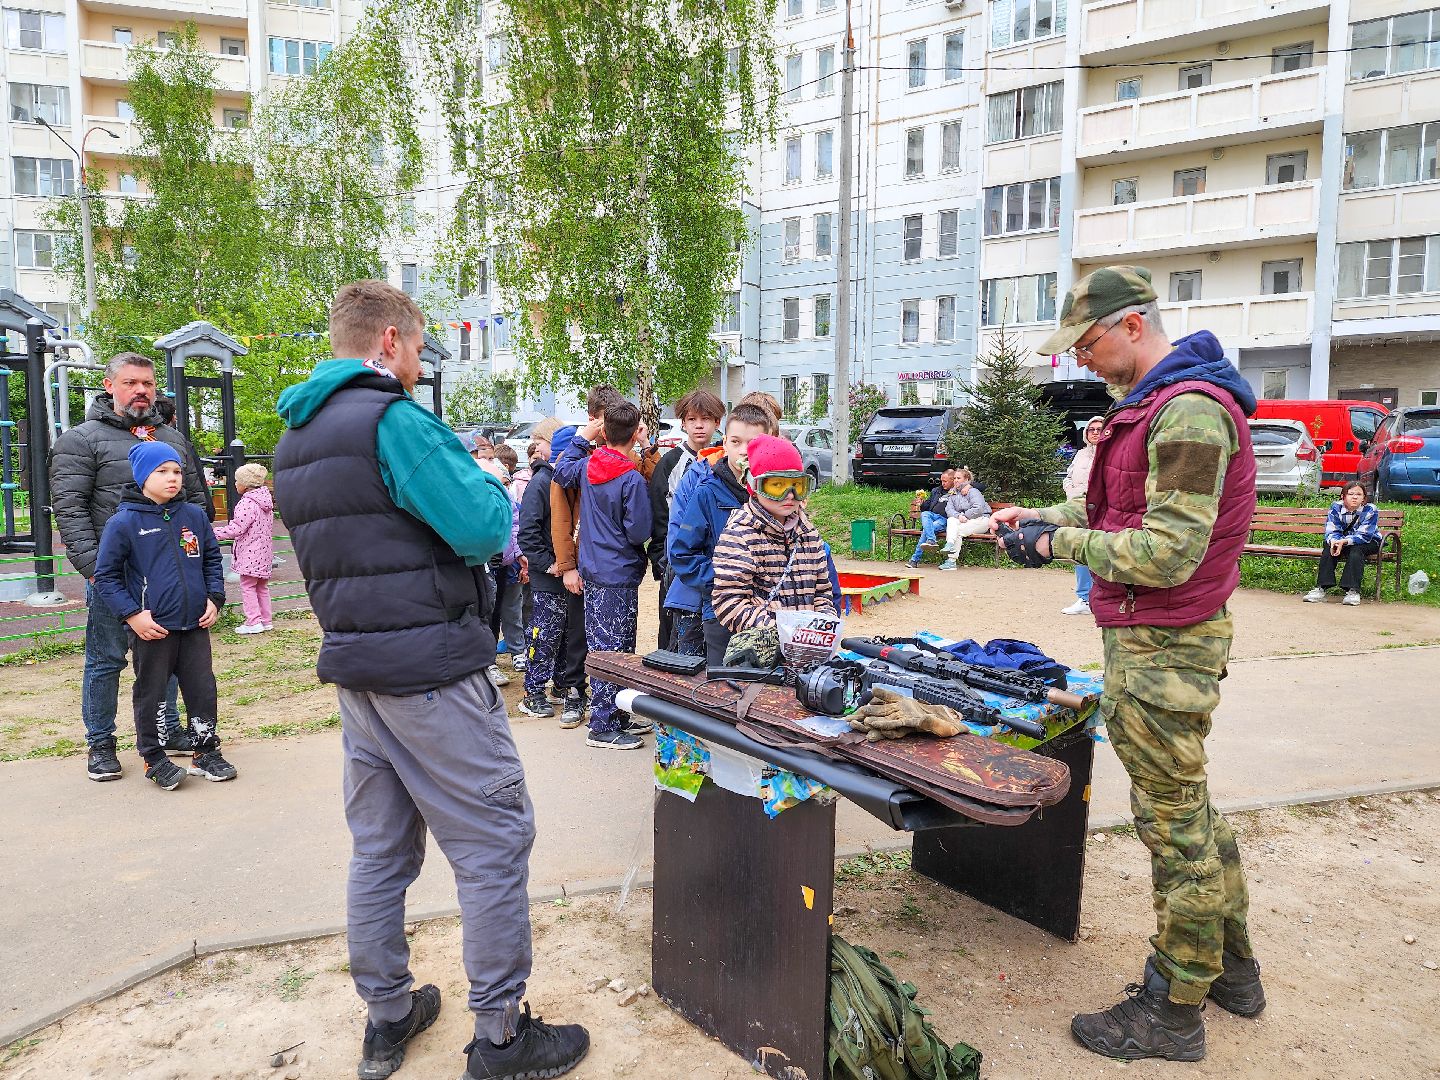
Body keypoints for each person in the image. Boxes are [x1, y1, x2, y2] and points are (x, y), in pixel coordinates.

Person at [273, 280, 589, 1080]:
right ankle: (502, 1038)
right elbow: (484, 527)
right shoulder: (395, 421)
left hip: (359, 676)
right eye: (417, 346)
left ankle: (388, 1015)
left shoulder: (296, 436)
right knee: (494, 841)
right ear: (388, 341)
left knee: (380, 852)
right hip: (432, 675)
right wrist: (484, 482)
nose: (419, 361)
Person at [991, 265, 1263, 1064]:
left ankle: (1173, 1010)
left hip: (1166, 645)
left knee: (1174, 828)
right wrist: (1040, 516)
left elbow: (1169, 550)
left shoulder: (1188, 412)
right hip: (1155, 640)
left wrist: (1057, 543)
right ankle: (1233, 972)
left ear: (1133, 325)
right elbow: (1114, 510)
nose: (1079, 358)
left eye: (1086, 342)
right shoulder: (1152, 405)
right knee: (1191, 812)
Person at [49, 352, 209, 780]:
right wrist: (95, 572)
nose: (141, 391)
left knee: (167, 656)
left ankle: (167, 729)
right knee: (106, 660)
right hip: (112, 578)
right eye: (131, 383)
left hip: (167, 576)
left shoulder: (171, 439)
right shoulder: (81, 441)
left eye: (147, 384)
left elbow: (195, 501)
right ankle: (101, 743)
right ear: (109, 386)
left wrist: (194, 568)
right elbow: (70, 511)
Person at [92, 443, 235, 789]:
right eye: (162, 472)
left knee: (202, 689)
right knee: (152, 693)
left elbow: (211, 560)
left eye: (176, 471)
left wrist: (215, 598)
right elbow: (106, 577)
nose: (172, 478)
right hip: (153, 629)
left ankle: (205, 751)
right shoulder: (123, 522)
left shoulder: (194, 516)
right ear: (143, 476)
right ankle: (153, 757)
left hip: (195, 624)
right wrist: (132, 615)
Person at [553, 399, 654, 750]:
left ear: (604, 432)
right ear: (635, 433)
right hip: (619, 570)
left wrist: (581, 438)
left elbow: (560, 470)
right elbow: (639, 531)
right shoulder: (631, 478)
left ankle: (615, 714)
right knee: (616, 648)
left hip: (594, 567)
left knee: (605, 645)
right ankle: (603, 725)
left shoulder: (587, 465)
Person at [668, 402, 773, 666]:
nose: (743, 451)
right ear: (724, 443)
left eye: (752, 443)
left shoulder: (777, 494)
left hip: (768, 613)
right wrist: (722, 581)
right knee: (723, 683)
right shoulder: (706, 492)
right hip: (720, 612)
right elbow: (682, 554)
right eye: (736, 442)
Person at [712, 434, 836, 635]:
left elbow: (822, 594)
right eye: (777, 486)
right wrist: (781, 632)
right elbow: (728, 603)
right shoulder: (739, 534)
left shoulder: (809, 534)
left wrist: (823, 627)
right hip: (761, 648)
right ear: (755, 486)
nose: (790, 495)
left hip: (805, 646)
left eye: (797, 486)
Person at [516, 422, 582, 721]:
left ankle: (561, 684)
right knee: (544, 636)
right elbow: (528, 534)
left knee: (567, 636)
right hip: (548, 578)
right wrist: (548, 564)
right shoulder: (541, 483)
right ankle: (533, 692)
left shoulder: (570, 482)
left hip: (570, 576)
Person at [649, 389, 725, 649]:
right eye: (692, 419)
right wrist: (662, 561)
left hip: (714, 561)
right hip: (676, 562)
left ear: (717, 422)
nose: (699, 425)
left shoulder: (727, 460)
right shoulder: (671, 462)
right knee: (672, 634)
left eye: (706, 419)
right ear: (683, 423)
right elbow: (660, 516)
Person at [212, 463, 275, 634]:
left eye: (237, 481)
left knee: (248, 586)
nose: (235, 484)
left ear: (245, 485)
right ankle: (266, 620)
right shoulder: (265, 501)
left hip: (250, 552)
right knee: (262, 587)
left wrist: (213, 533)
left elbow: (237, 528)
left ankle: (253, 621)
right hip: (264, 552)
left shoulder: (247, 503)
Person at [1303, 481, 1381, 605]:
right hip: (1342, 540)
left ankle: (1353, 591)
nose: (1354, 497)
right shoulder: (1336, 507)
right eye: (1351, 494)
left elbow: (1365, 535)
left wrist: (1344, 541)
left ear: (1364, 498)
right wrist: (1335, 541)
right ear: (1343, 496)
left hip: (1368, 541)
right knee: (1329, 547)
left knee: (1356, 551)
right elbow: (1332, 529)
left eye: (1358, 494)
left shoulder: (1370, 509)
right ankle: (1321, 588)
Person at [1061, 417, 1105, 615]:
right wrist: (1071, 491)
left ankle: (1102, 596)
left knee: (1099, 550)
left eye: (1099, 429)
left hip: (1100, 509)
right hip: (1077, 507)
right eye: (1091, 429)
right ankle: (1084, 598)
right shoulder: (1080, 454)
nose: (1095, 432)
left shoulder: (1110, 452)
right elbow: (1068, 477)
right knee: (1080, 550)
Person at [937, 469, 991, 570]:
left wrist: (966, 516)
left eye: (959, 478)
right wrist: (959, 516)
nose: (956, 480)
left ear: (966, 479)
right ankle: (949, 544)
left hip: (981, 520)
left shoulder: (973, 491)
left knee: (957, 531)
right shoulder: (953, 493)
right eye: (954, 478)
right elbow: (949, 509)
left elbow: (978, 508)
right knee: (951, 520)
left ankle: (951, 561)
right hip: (964, 520)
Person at [907, 469, 956, 568]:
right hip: (932, 516)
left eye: (945, 481)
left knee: (927, 529)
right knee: (925, 514)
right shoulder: (936, 491)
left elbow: (978, 486)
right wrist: (922, 503)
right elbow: (927, 507)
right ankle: (931, 540)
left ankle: (914, 559)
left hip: (945, 520)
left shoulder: (957, 492)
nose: (943, 483)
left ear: (953, 480)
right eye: (942, 481)